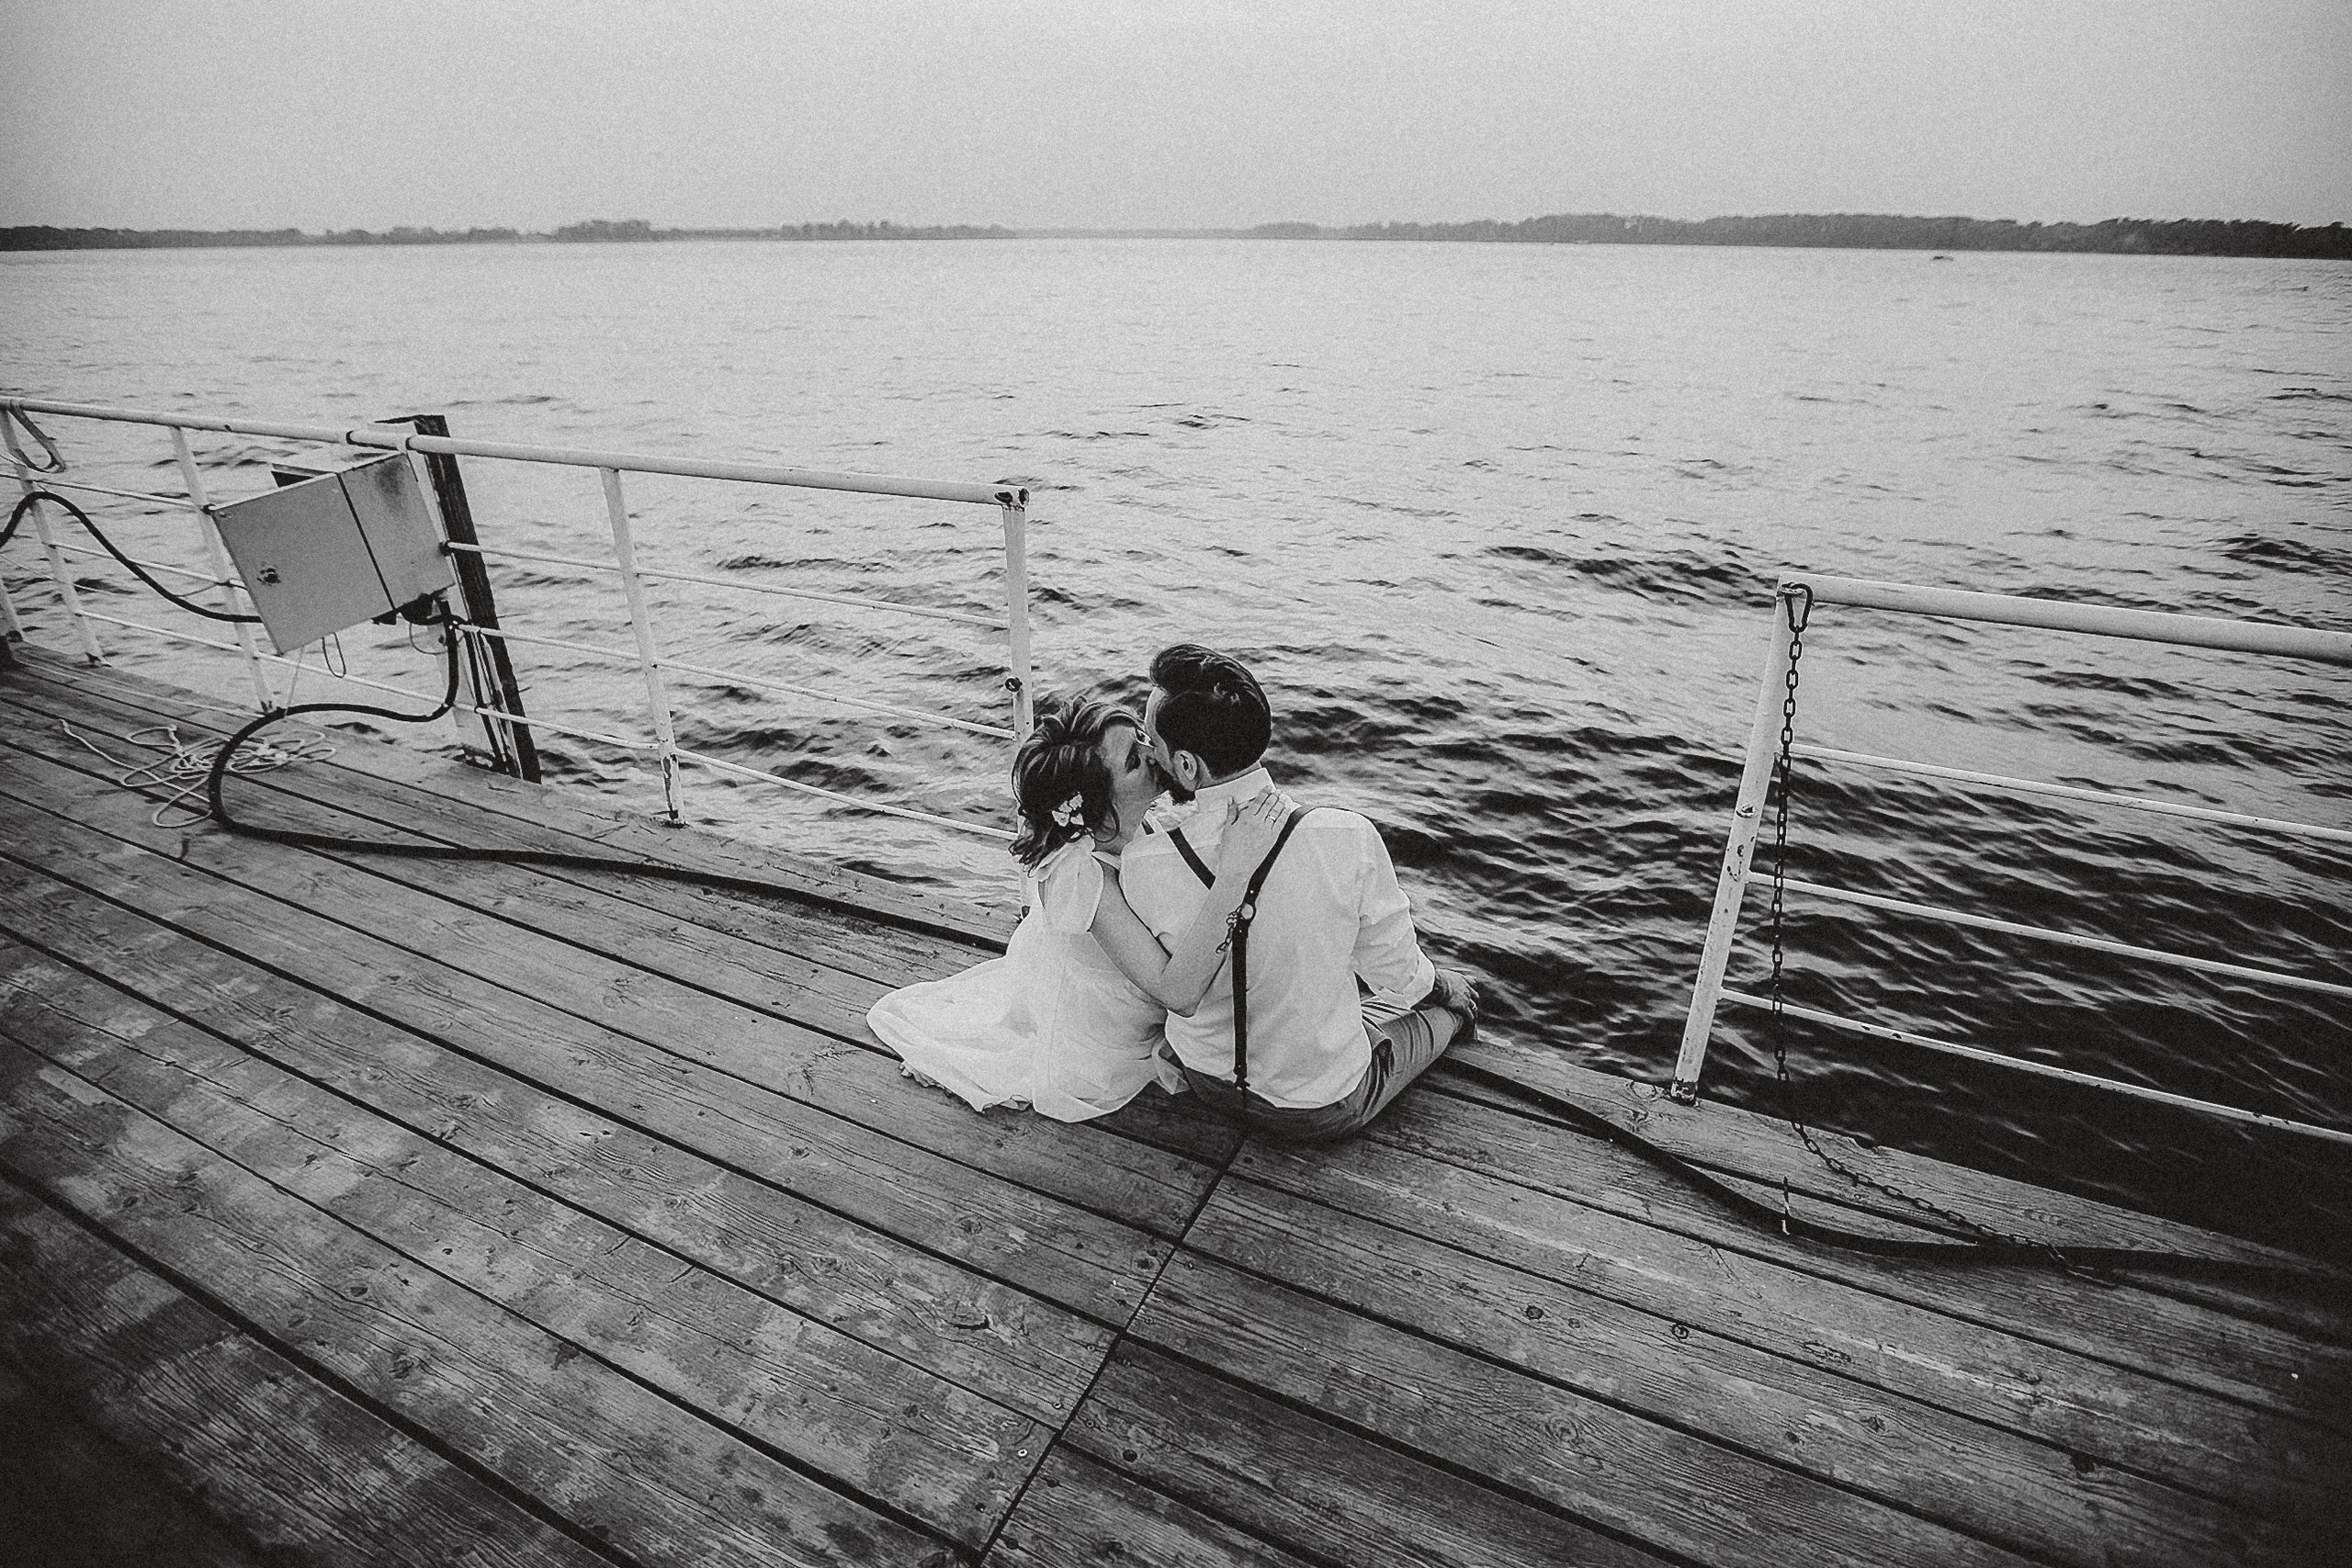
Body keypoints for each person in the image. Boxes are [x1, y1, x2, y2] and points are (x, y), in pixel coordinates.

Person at [866, 694, 1292, 1122]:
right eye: (1133, 762)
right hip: (1105, 1032)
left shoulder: (1134, 822)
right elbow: (1177, 995)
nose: (1152, 752)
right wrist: (1236, 873)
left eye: (1142, 738)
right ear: (1098, 805)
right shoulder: (1087, 876)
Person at [1121, 644, 1479, 1143]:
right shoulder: (1346, 836)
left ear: (1184, 765)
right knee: (1444, 1008)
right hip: (1318, 1108)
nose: (1148, 750)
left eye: (1150, 739)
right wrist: (1443, 987)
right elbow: (1397, 974)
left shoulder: (1144, 863)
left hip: (1203, 1078)